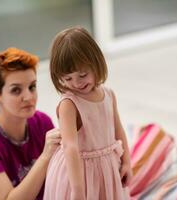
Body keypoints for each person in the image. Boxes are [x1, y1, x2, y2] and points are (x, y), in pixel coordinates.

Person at [44, 27, 132, 200]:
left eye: (82, 75)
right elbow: (70, 147)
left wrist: (127, 162)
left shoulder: (108, 94)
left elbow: (119, 130)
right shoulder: (69, 104)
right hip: (78, 173)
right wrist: (77, 190)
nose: (76, 83)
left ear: (96, 64)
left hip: (107, 169)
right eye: (67, 78)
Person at [0, 47, 61, 200]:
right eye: (16, 90)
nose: (28, 97)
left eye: (32, 87)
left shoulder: (42, 122)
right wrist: (46, 155)